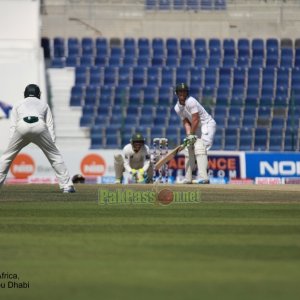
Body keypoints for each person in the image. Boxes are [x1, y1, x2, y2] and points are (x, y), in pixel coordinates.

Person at [0, 84, 75, 193]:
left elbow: (13, 126)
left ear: (25, 93)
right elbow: (50, 125)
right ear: (38, 94)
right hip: (39, 125)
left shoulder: (18, 104)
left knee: (7, 157)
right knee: (55, 156)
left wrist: (12, 144)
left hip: (22, 126)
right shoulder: (44, 104)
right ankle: (67, 186)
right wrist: (51, 144)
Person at [174, 83, 216, 184]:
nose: (182, 94)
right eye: (180, 92)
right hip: (196, 127)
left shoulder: (191, 101)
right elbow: (186, 122)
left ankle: (203, 176)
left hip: (207, 124)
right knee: (189, 148)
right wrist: (189, 136)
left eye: (184, 91)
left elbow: (196, 119)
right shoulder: (177, 108)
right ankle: (189, 177)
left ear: (187, 92)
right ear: (176, 93)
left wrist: (192, 134)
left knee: (200, 147)